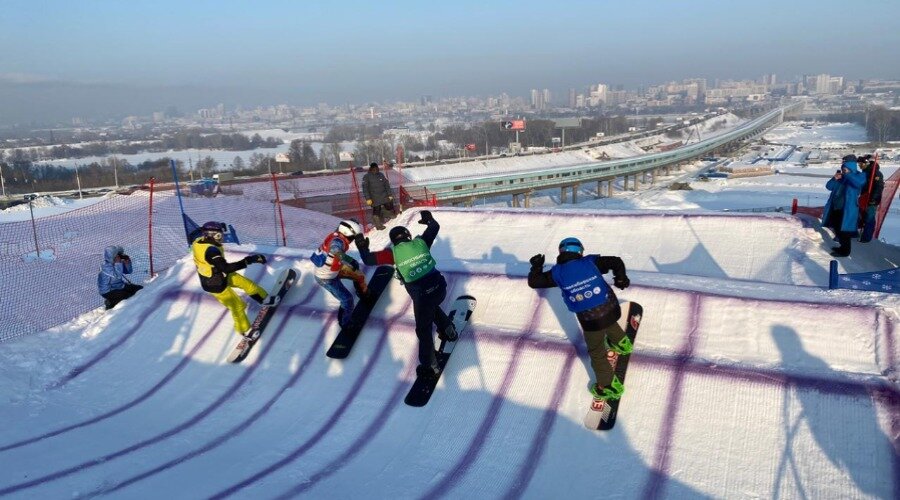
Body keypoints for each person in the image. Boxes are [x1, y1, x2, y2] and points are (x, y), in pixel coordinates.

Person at [354, 210, 457, 378]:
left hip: (423, 295)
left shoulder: (392, 254)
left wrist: (362, 247)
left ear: (394, 242)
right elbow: (435, 226)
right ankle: (448, 330)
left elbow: (367, 260)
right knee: (431, 308)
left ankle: (430, 365)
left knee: (423, 330)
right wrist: (428, 219)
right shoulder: (421, 242)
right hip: (440, 288)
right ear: (408, 236)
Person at [527, 238, 631, 402]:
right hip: (611, 307)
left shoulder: (557, 273)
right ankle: (622, 341)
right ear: (579, 252)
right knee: (607, 319)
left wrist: (537, 266)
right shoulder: (591, 262)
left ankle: (608, 385)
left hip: (591, 320)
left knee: (597, 352)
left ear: (562, 252)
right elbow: (616, 261)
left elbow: (534, 282)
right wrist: (620, 278)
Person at [191, 221, 270, 345]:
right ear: (212, 235)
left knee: (246, 284)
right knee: (238, 306)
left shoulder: (199, 240)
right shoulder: (211, 251)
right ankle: (245, 331)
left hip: (219, 274)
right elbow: (226, 268)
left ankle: (263, 299)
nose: (222, 237)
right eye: (219, 235)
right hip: (214, 284)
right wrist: (248, 260)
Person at [311, 220, 368, 327]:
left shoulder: (337, 236)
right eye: (352, 237)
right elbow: (335, 249)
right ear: (347, 234)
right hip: (326, 278)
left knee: (359, 275)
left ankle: (362, 293)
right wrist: (350, 261)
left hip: (333, 270)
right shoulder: (338, 241)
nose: (352, 240)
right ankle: (345, 323)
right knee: (347, 300)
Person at [822, 155, 866, 257]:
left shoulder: (859, 175)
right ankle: (842, 247)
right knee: (837, 228)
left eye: (844, 165)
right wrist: (834, 178)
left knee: (844, 230)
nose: (843, 168)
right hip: (836, 207)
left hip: (848, 209)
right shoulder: (841, 177)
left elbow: (858, 183)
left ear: (850, 165)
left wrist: (848, 174)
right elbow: (829, 187)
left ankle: (845, 251)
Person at [97, 245, 143, 309]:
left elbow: (128, 271)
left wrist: (127, 263)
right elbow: (117, 276)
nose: (118, 256)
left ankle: (115, 299)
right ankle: (110, 302)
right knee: (127, 296)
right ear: (112, 256)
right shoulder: (105, 266)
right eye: (117, 255)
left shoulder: (116, 262)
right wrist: (118, 263)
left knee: (138, 289)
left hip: (119, 286)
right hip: (108, 291)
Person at [362, 162, 397, 230]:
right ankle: (378, 226)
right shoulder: (366, 177)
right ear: (371, 169)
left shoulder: (381, 175)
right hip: (374, 198)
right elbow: (365, 188)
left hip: (384, 196)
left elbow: (386, 185)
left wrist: (389, 194)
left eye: (377, 168)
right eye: (374, 169)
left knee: (389, 206)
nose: (376, 170)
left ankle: (392, 218)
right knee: (376, 211)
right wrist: (368, 198)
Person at [857, 155, 884, 243]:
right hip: (864, 198)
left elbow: (879, 187)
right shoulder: (865, 172)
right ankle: (859, 234)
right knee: (862, 217)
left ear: (866, 163)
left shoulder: (876, 173)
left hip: (872, 200)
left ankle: (866, 239)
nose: (860, 166)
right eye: (859, 164)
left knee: (869, 218)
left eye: (861, 164)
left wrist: (873, 199)